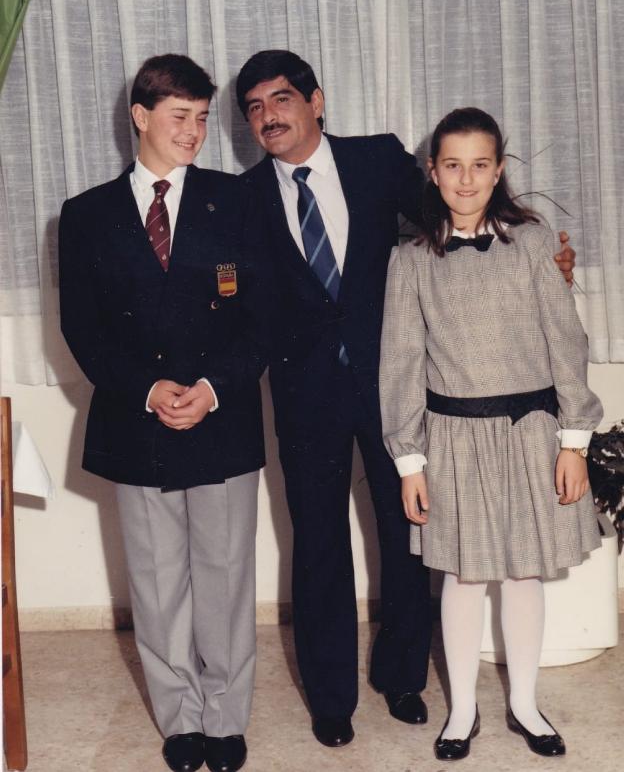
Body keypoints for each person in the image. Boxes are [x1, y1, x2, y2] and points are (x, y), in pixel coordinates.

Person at [235, 51, 576, 748]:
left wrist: (544, 260)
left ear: (315, 100)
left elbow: (453, 216)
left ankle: (402, 680)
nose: (269, 116)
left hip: (401, 389)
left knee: (409, 538)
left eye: (281, 99)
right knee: (320, 543)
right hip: (307, 397)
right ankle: (331, 699)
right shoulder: (242, 197)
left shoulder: (377, 159)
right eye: (254, 107)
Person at [59, 54, 270, 772]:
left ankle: (226, 718)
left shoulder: (236, 201)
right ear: (140, 117)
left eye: (204, 118)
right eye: (180, 116)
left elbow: (262, 320)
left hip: (222, 413)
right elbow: (82, 329)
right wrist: (147, 392)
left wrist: (211, 388)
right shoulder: (85, 215)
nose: (195, 132)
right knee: (155, 582)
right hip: (135, 418)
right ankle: (180, 720)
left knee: (226, 574)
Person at [379, 107, 602, 761]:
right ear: (433, 171)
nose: (467, 179)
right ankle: (464, 710)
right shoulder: (411, 258)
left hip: (530, 435)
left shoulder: (531, 244)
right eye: (453, 166)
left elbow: (566, 343)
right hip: (452, 440)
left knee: (524, 575)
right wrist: (410, 460)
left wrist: (574, 442)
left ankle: (526, 704)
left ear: (499, 170)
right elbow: (400, 364)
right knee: (464, 577)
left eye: (480, 165)